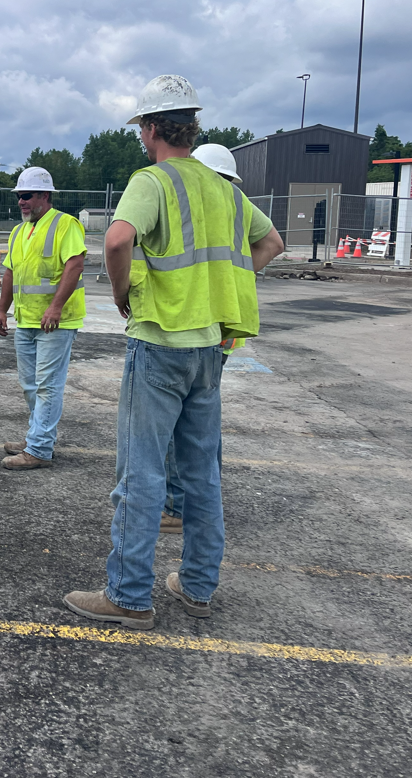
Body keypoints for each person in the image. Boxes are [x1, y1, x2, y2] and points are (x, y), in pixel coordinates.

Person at [63, 75, 283, 629]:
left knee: (141, 473)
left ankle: (129, 594)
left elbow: (116, 240)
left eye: (140, 126)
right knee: (202, 471)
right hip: (210, 347)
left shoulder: (153, 180)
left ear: (154, 127)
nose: (140, 135)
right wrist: (221, 288)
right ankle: (198, 585)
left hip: (159, 343)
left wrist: (123, 292)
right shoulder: (224, 189)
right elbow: (272, 242)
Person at [160, 142, 246, 534]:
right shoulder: (238, 208)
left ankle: (179, 507)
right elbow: (273, 244)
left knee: (183, 427)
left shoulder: (205, 206)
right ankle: (204, 500)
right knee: (203, 427)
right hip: (225, 326)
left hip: (195, 327)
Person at [0, 166, 87, 469]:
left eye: (26, 195)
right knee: (30, 385)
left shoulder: (65, 224)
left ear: (44, 196)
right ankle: (38, 435)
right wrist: (1, 309)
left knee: (47, 385)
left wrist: (56, 306)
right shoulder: (20, 230)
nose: (21, 201)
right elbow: (10, 272)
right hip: (27, 320)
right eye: (19, 196)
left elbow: (75, 265)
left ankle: (39, 449)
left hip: (56, 321)